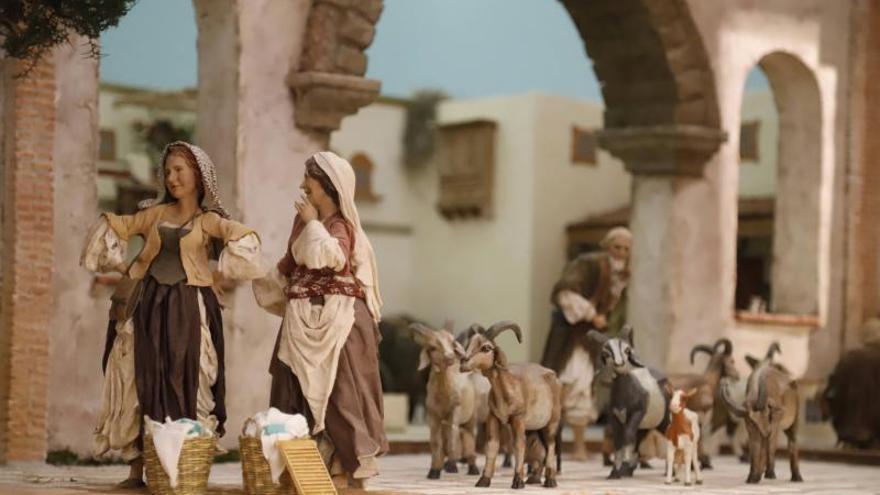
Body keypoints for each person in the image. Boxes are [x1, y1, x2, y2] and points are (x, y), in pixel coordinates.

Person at [81, 141, 264, 487]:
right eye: (167, 171)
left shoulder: (208, 221)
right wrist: (124, 266)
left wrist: (222, 270)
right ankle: (137, 469)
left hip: (188, 310)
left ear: (198, 175)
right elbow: (115, 225)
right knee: (140, 378)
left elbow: (241, 236)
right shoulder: (154, 214)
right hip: (148, 307)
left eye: (179, 170)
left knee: (187, 378)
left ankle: (182, 468)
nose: (172, 178)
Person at [254, 151, 387, 490]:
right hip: (302, 318)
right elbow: (292, 260)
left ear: (327, 187)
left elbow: (333, 256)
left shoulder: (340, 225)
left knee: (340, 392)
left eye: (308, 181)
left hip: (337, 320)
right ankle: (303, 463)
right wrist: (264, 277)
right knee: (293, 386)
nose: (303, 186)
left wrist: (314, 223)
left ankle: (342, 463)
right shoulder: (303, 222)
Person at [539, 226, 632, 462]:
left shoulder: (622, 275)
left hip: (588, 340)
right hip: (568, 336)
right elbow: (565, 293)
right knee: (560, 385)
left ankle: (578, 446)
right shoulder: (588, 263)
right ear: (608, 246)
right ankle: (545, 444)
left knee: (582, 388)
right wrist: (591, 314)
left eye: (626, 249)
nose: (621, 253)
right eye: (617, 247)